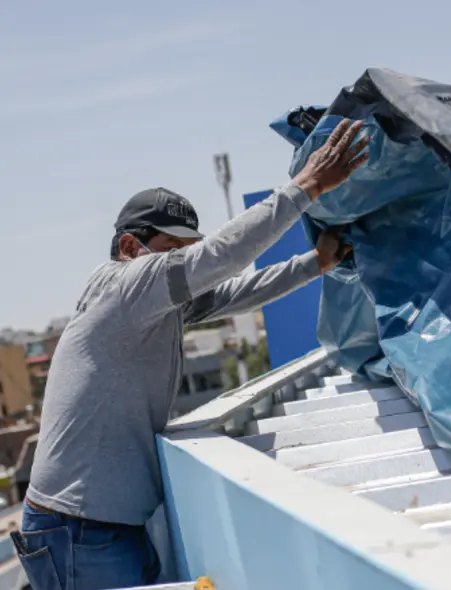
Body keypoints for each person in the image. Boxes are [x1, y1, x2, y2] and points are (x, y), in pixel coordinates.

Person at [11, 119, 371, 590]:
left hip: (98, 528)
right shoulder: (126, 286)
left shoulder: (151, 307)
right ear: (130, 246)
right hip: (79, 532)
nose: (183, 260)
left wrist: (315, 264)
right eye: (172, 250)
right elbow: (221, 256)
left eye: (187, 250)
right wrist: (307, 186)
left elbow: (236, 292)